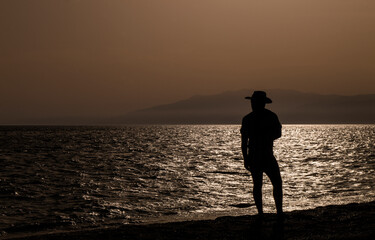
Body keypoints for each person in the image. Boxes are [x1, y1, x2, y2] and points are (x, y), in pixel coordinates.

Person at [240, 91, 283, 217]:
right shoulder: (269, 116)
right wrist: (245, 158)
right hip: (262, 155)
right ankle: (272, 212)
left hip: (260, 155)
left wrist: (246, 158)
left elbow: (244, 142)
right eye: (253, 102)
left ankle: (268, 212)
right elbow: (278, 133)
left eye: (254, 102)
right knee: (268, 184)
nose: (253, 104)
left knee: (266, 184)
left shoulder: (249, 119)